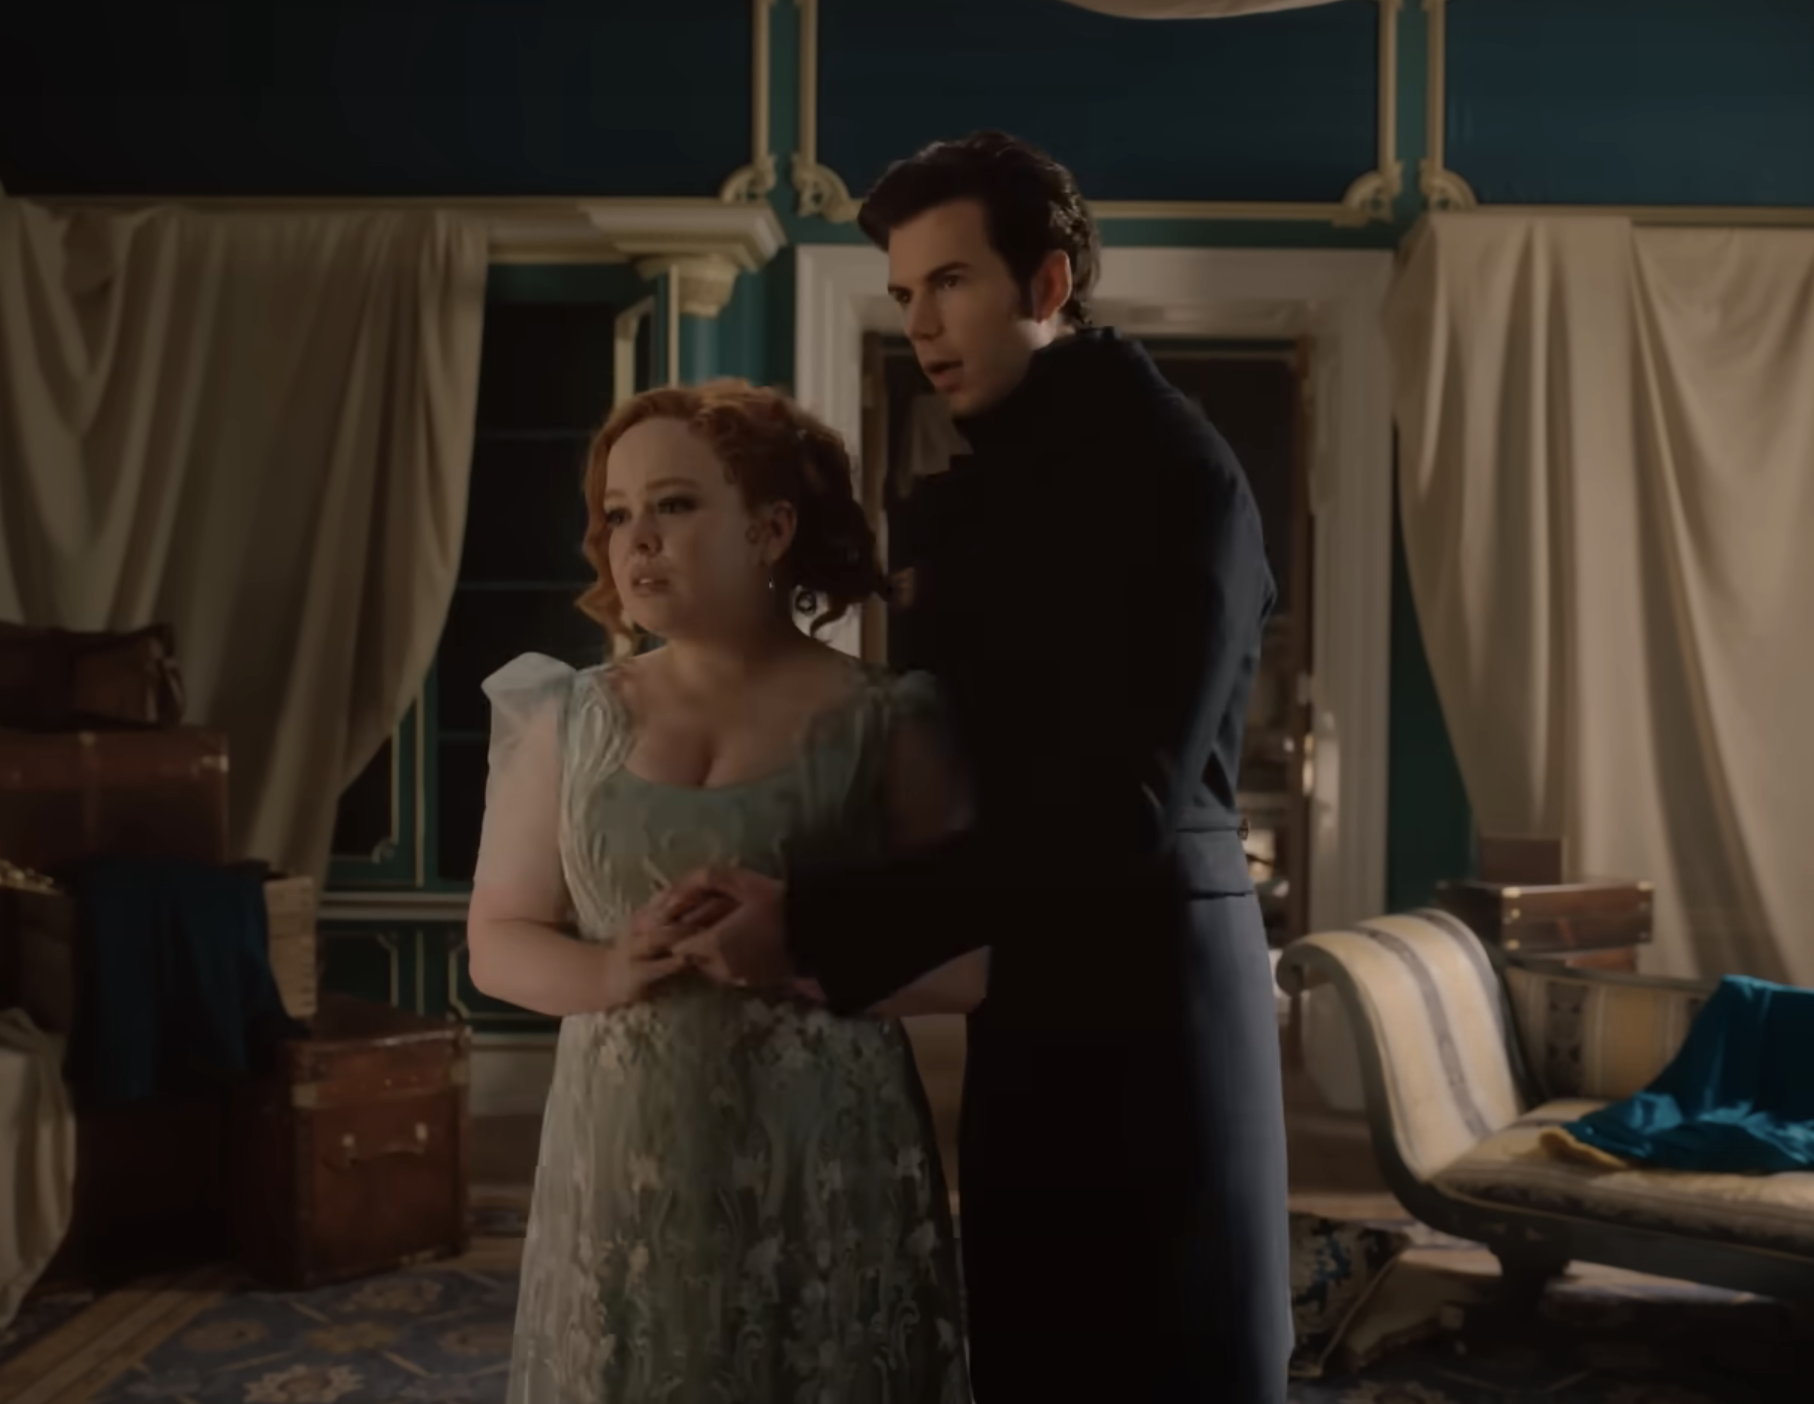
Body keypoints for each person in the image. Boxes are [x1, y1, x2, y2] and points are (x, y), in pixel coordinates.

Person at [667, 131, 1293, 1400]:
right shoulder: (1010, 472)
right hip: (1036, 983)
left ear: (1047, 284)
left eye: (949, 282)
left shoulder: (1170, 470)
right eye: (904, 294)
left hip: (1152, 1008)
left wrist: (817, 923)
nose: (920, 324)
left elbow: (1115, 811)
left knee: (1165, 1363)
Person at [465, 379, 987, 1404]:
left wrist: (804, 957)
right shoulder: (563, 716)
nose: (637, 539)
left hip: (826, 1167)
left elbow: (972, 962)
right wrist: (610, 970)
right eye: (618, 514)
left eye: (674, 504)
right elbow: (497, 939)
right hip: (622, 1170)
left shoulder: (890, 719)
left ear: (770, 529)